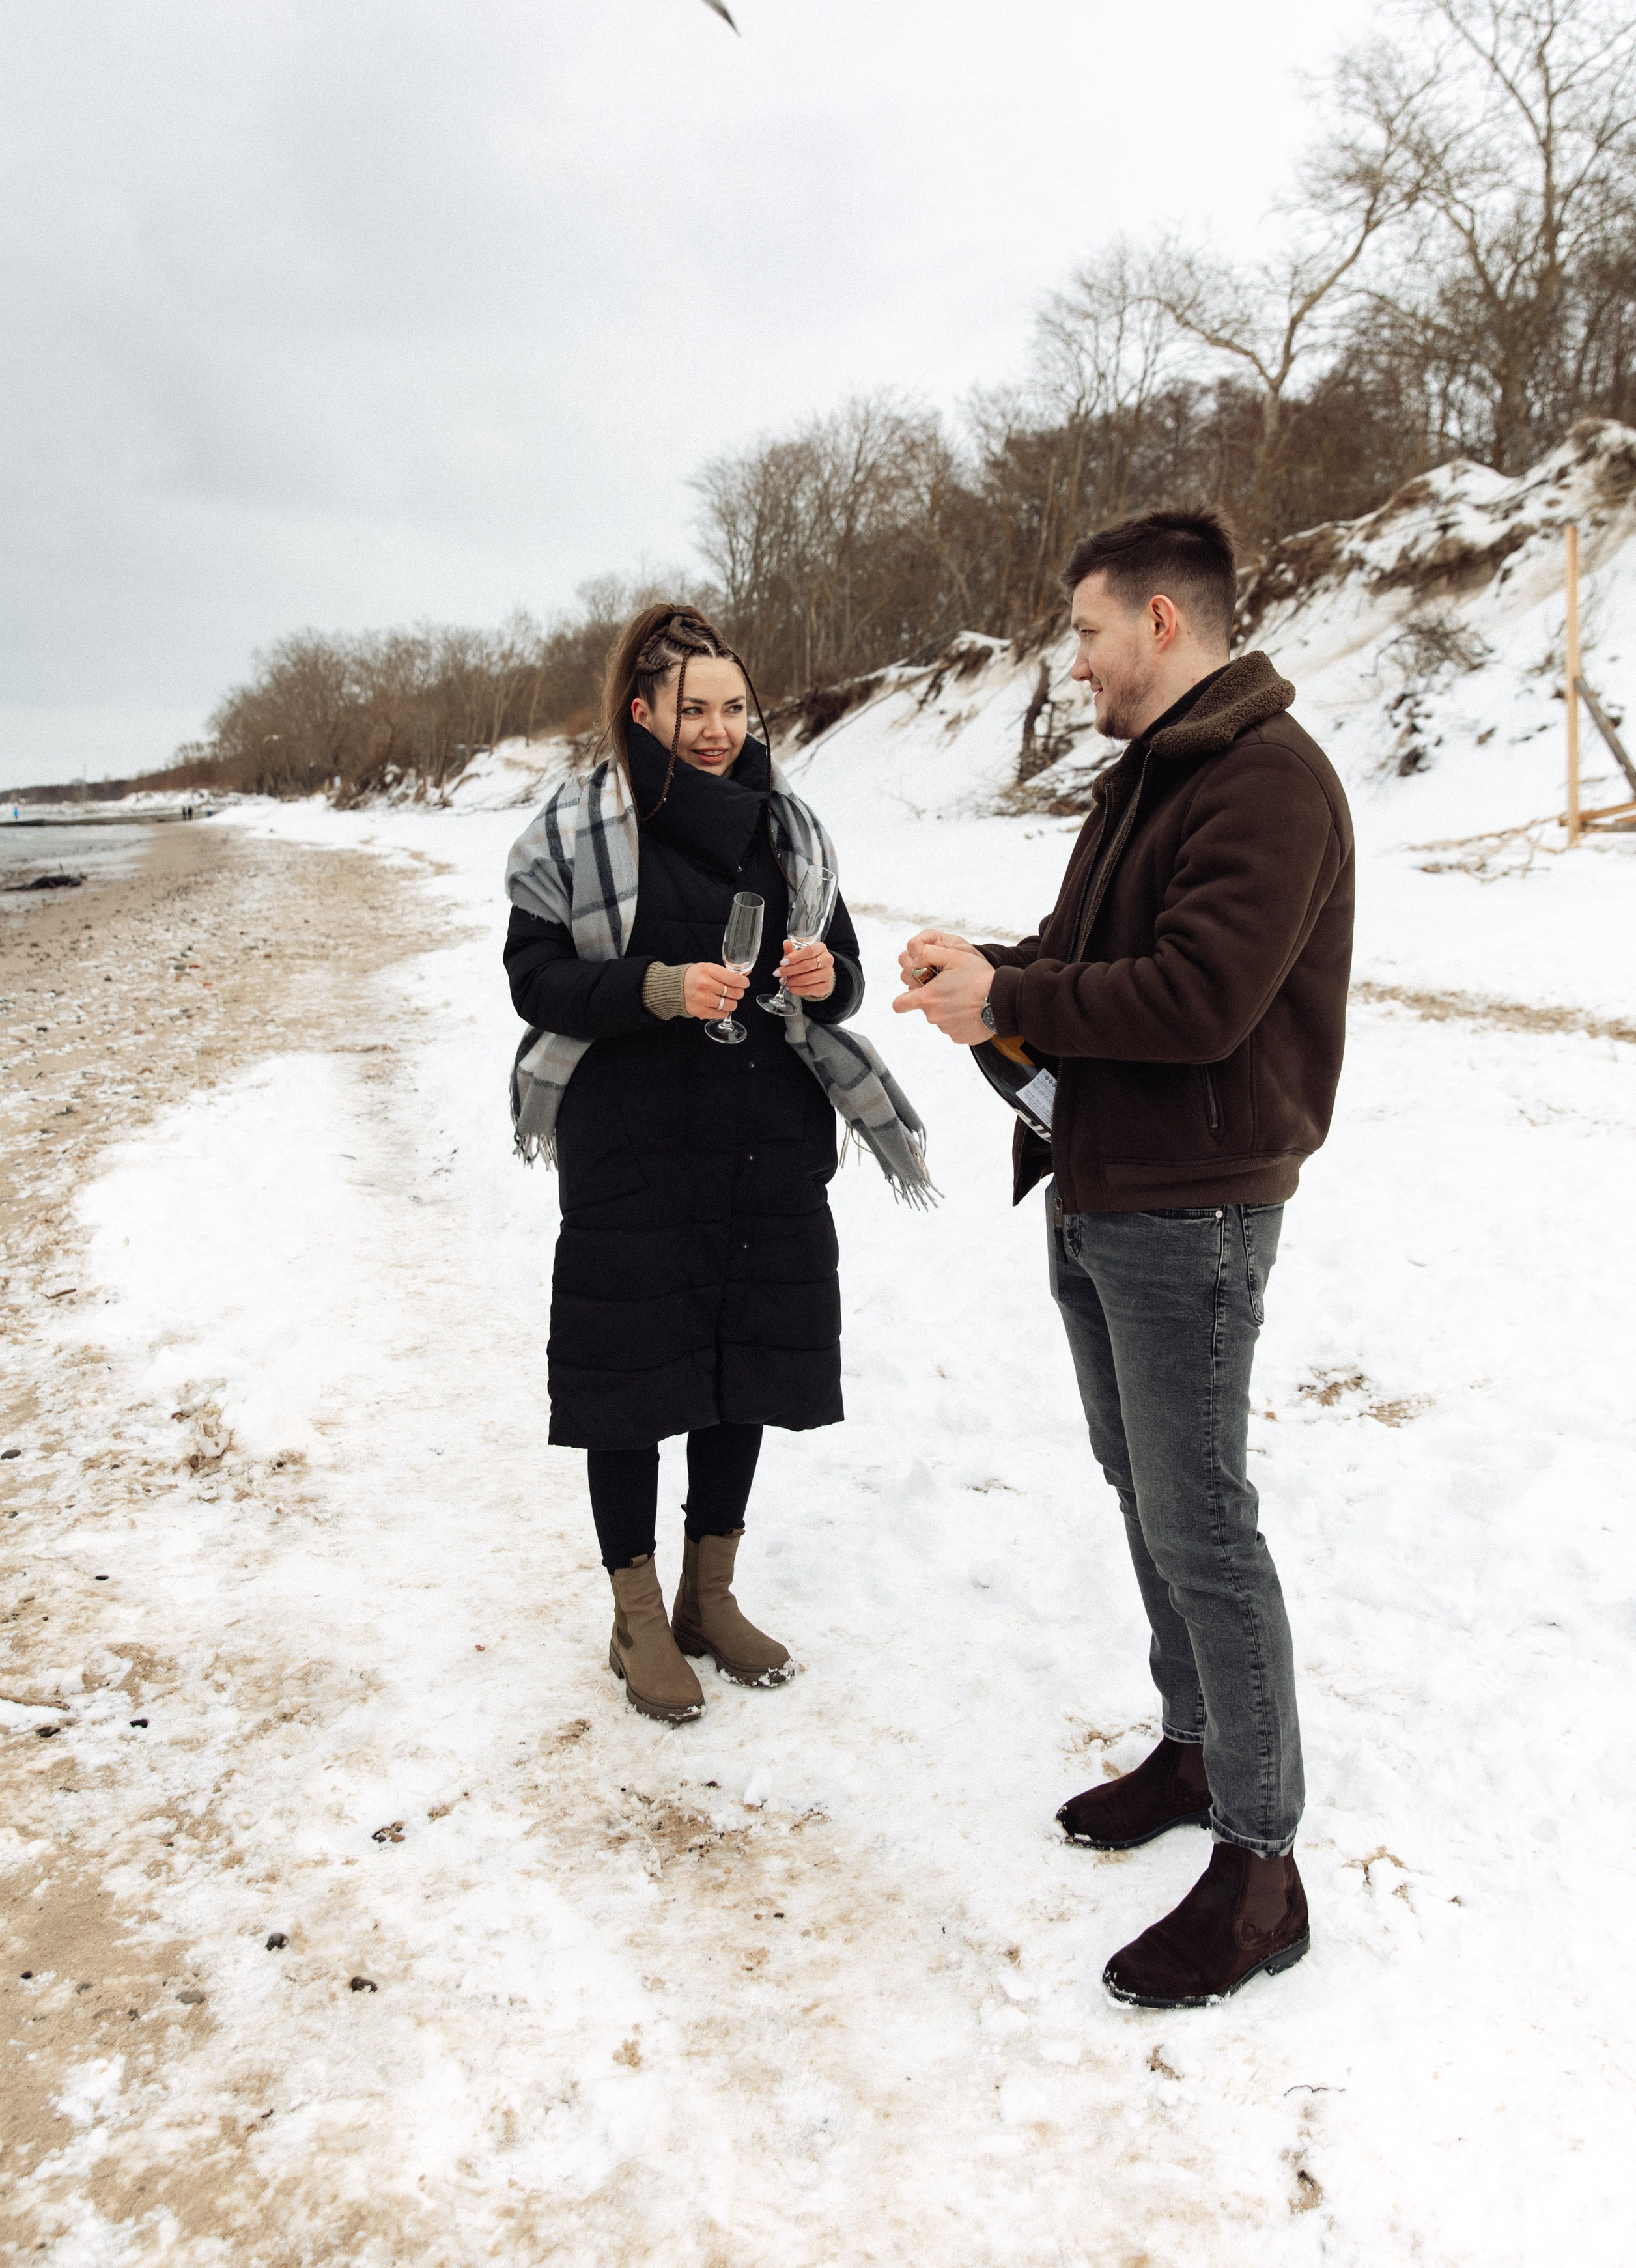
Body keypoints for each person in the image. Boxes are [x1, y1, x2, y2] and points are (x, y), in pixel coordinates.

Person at [893, 508, 1354, 2009]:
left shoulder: (1265, 780)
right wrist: (985, 981)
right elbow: (1081, 956)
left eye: (1086, 631)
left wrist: (1017, 987)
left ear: (1161, 623)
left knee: (1201, 1519)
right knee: (1141, 1490)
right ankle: (1195, 1745)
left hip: (1193, 1206)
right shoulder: (1147, 779)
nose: (1071, 659)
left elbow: (1199, 998)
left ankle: (1259, 1867)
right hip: (1104, 1188)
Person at [504, 604, 931, 1725]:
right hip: (631, 1137)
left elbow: (841, 969)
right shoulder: (577, 825)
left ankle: (712, 1595)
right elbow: (535, 982)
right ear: (641, 712)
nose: (717, 729)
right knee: (630, 1379)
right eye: (694, 709)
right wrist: (656, 987)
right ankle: (638, 1618)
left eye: (735, 708)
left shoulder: (788, 827)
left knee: (744, 1361)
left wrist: (823, 976)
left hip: (763, 1131)